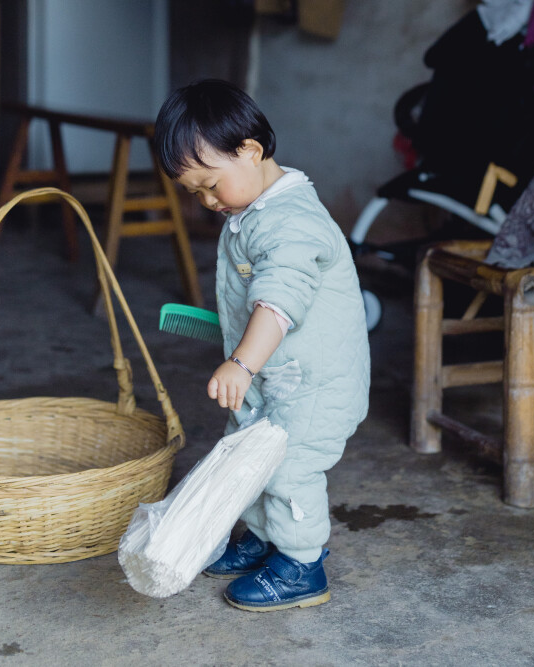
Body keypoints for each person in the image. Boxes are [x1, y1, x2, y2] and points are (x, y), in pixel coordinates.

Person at [153, 79, 370, 612]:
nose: (206, 201)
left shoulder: (293, 222)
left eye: (210, 185)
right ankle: (258, 541)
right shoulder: (250, 209)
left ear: (250, 151)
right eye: (194, 193)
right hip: (276, 377)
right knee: (247, 452)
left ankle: (301, 564)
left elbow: (277, 301)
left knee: (290, 467)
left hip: (316, 384)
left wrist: (240, 363)